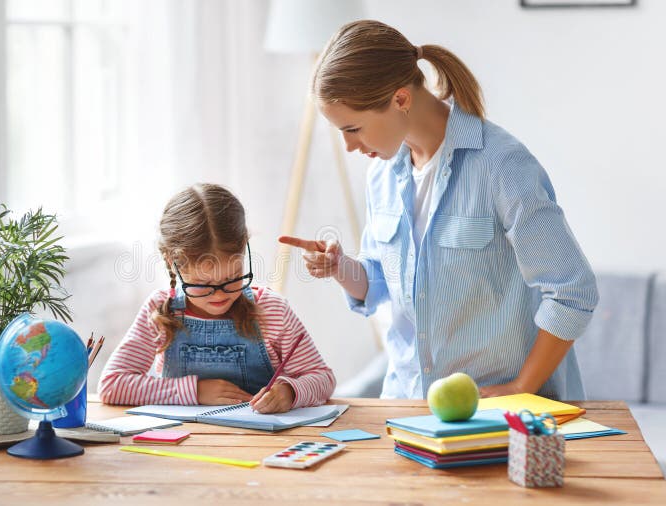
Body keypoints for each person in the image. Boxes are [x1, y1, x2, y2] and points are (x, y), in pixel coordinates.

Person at [280, 20, 598, 401]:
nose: (350, 146)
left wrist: (520, 388)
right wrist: (340, 268)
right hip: (408, 406)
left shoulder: (501, 165)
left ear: (400, 99)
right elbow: (383, 283)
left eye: (354, 129)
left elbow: (572, 290)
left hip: (499, 414)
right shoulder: (381, 174)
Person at [99, 184, 335, 413]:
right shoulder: (162, 310)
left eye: (232, 278)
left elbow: (322, 378)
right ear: (174, 265)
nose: (221, 294)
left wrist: (290, 392)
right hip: (181, 445)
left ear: (244, 250)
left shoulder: (272, 310)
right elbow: (112, 385)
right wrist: (196, 391)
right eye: (203, 284)